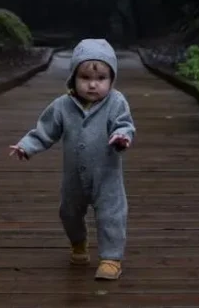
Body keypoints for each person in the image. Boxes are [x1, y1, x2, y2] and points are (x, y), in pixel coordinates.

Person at [9, 39, 136, 280]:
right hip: (73, 177)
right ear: (73, 79)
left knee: (111, 215)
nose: (92, 85)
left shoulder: (116, 103)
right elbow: (45, 130)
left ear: (112, 80)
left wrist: (122, 136)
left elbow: (124, 124)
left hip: (106, 175)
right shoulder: (63, 106)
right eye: (85, 78)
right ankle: (78, 243)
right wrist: (27, 146)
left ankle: (111, 258)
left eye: (101, 79)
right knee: (69, 212)